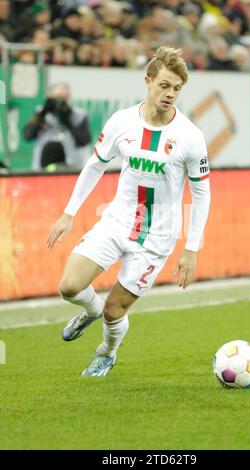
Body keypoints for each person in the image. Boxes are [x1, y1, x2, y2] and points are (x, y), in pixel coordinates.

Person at [47, 47, 211, 377]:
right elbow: (94, 166)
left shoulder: (190, 137)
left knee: (114, 310)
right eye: (164, 85)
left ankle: (106, 352)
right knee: (69, 286)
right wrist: (68, 213)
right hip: (116, 221)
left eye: (177, 88)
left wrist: (191, 248)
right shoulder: (122, 122)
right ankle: (88, 312)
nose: (170, 94)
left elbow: (202, 192)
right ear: (148, 81)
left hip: (157, 238)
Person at [23, 83, 90, 171]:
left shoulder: (78, 115)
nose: (61, 101)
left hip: (72, 170)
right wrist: (44, 111)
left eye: (65, 97)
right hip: (42, 170)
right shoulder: (41, 114)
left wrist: (67, 121)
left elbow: (84, 141)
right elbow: (28, 135)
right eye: (57, 97)